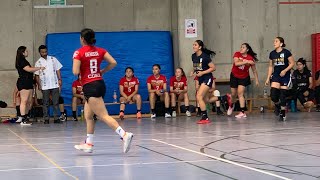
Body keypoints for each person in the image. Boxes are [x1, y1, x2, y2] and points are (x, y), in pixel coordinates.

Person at [73, 28, 133, 153]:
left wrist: (81, 67)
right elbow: (113, 62)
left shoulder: (78, 53)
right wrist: (102, 71)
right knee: (88, 116)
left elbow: (75, 72)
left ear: (82, 39)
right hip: (99, 83)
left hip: (89, 86)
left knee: (103, 115)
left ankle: (124, 135)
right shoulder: (100, 50)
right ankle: (88, 143)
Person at [265, 37, 295, 121]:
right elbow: (271, 66)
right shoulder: (272, 54)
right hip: (276, 75)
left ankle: (283, 112)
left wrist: (285, 70)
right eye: (274, 41)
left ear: (281, 44)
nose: (274, 43)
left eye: (276, 41)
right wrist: (268, 78)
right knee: (273, 95)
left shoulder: (286, 52)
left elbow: (292, 63)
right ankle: (277, 105)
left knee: (282, 95)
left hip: (285, 75)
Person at [226, 43, 259, 118]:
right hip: (234, 75)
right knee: (233, 94)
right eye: (241, 47)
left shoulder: (250, 58)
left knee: (240, 93)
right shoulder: (237, 54)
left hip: (244, 77)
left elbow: (254, 70)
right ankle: (231, 105)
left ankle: (242, 112)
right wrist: (246, 62)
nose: (241, 48)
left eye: (243, 47)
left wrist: (256, 80)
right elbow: (236, 63)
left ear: (247, 50)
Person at [15, 46, 45, 125]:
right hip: (24, 82)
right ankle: (23, 119)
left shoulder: (25, 60)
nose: (27, 52)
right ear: (22, 52)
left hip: (29, 81)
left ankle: (26, 116)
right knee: (24, 101)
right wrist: (39, 68)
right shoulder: (21, 61)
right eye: (26, 51)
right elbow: (29, 69)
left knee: (29, 101)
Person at [35, 45, 63, 124]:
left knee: (55, 102)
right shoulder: (38, 62)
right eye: (42, 52)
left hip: (54, 83)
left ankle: (56, 117)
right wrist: (39, 84)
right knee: (45, 102)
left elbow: (58, 70)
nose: (44, 53)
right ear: (40, 52)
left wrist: (60, 79)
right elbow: (36, 75)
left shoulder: (53, 59)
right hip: (44, 85)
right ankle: (46, 118)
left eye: (45, 52)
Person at [190, 40, 216, 124]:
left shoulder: (205, 56)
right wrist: (193, 71)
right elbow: (196, 66)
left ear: (200, 47)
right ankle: (224, 98)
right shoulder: (193, 56)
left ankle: (205, 117)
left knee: (199, 96)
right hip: (201, 79)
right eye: (193, 45)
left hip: (207, 78)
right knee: (206, 99)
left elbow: (213, 68)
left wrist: (202, 73)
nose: (193, 46)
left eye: (195, 45)